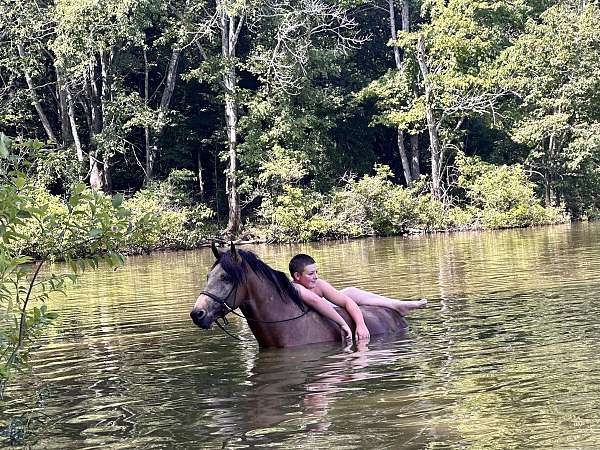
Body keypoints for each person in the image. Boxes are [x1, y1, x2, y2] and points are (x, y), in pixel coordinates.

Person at [289, 254, 427, 343]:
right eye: (311, 273)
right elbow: (316, 301)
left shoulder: (318, 284)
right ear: (297, 276)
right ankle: (397, 305)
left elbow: (347, 301)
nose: (316, 276)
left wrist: (361, 325)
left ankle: (397, 304)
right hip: (321, 310)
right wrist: (343, 324)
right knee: (348, 293)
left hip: (327, 305)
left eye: (316, 272)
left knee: (350, 292)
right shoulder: (295, 287)